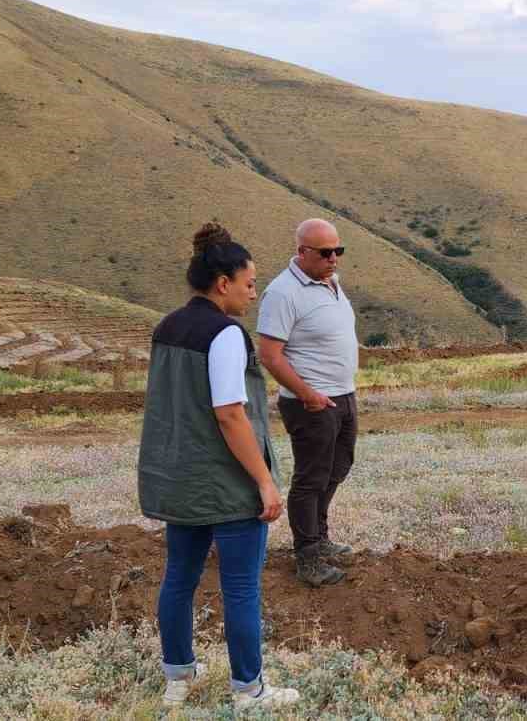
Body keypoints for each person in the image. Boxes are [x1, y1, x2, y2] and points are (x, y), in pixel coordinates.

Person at [137, 223, 300, 710]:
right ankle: (249, 691)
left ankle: (177, 678)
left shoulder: (167, 327)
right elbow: (230, 413)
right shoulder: (226, 334)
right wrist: (265, 482)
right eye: (249, 283)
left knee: (178, 579)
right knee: (242, 589)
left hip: (178, 478)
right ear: (223, 283)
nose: (254, 293)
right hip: (226, 485)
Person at [257, 218, 359, 588]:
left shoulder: (331, 282)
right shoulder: (283, 293)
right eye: (326, 252)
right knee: (311, 476)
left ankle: (320, 535)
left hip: (342, 394)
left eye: (338, 251)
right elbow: (269, 355)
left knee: (339, 466)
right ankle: (308, 555)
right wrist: (307, 394)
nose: (334, 259)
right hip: (311, 402)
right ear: (302, 252)